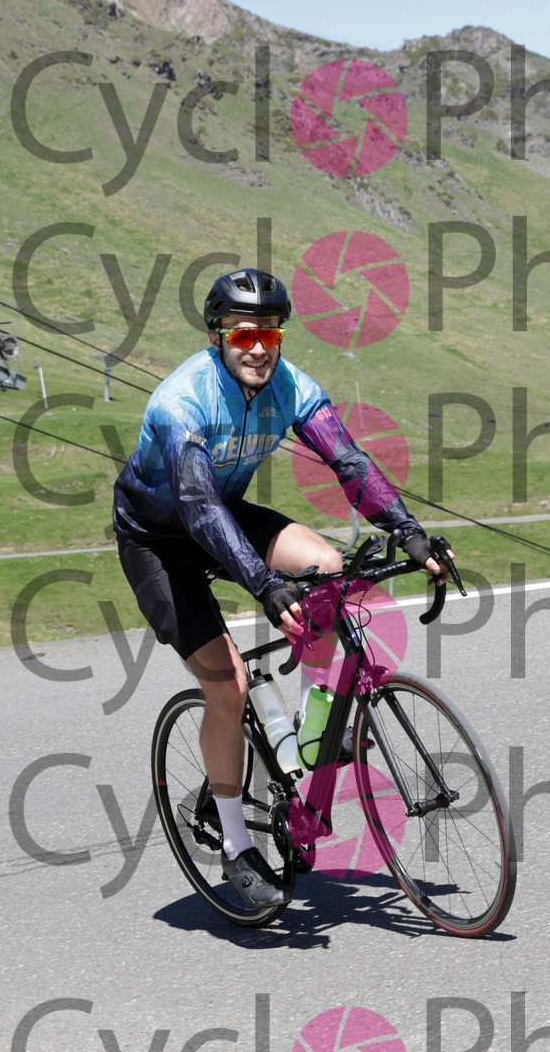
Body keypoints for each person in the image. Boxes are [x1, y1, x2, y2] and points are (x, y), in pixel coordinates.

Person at [113, 267, 445, 908]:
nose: (259, 347)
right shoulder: (181, 402)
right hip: (159, 541)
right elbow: (198, 509)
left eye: (271, 333)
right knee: (229, 685)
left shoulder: (291, 386)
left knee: (326, 569)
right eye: (244, 334)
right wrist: (264, 584)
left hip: (225, 514)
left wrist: (408, 531)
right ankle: (237, 845)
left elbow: (348, 461)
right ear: (217, 336)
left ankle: (308, 735)